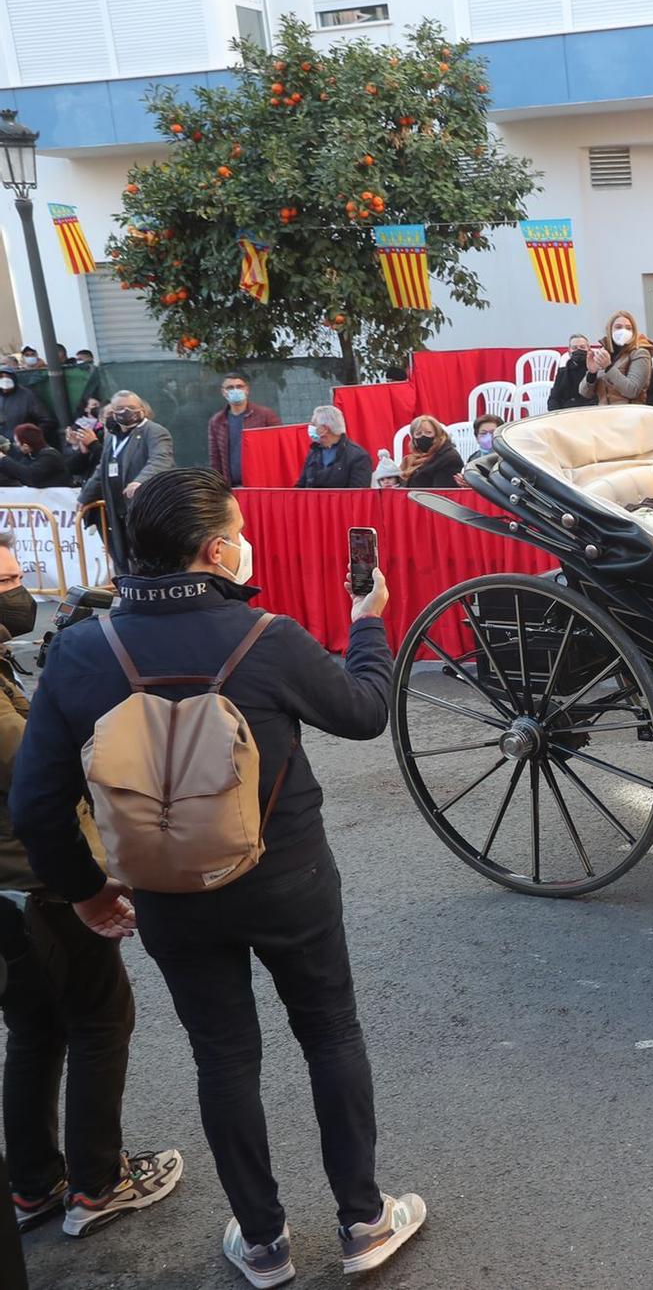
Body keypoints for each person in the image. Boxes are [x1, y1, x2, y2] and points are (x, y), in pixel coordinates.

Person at [9, 467, 426, 1286]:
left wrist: (90, 891)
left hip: (167, 891)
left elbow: (36, 801)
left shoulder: (84, 650)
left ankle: (264, 1244)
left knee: (223, 1055)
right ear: (216, 549)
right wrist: (367, 621)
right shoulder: (266, 636)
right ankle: (364, 1221)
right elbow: (364, 710)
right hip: (289, 877)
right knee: (330, 1033)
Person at [0, 529, 183, 1239]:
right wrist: (68, 682)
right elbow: (32, 765)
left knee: (35, 1032)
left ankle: (35, 1184)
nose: (20, 594)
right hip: (34, 884)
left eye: (18, 576)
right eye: (6, 582)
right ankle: (97, 1186)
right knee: (99, 1023)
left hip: (20, 885)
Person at [80, 393, 174, 574]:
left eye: (130, 408)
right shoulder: (111, 437)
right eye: (120, 409)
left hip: (145, 511)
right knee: (122, 558)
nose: (126, 412)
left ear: (142, 410)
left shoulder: (154, 432)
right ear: (113, 413)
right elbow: (103, 470)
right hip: (118, 510)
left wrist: (140, 481)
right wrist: (85, 496)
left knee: (150, 560)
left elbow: (160, 460)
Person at [206, 374, 281, 487]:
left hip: (262, 484)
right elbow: (215, 457)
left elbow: (279, 447)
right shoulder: (217, 421)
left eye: (239, 386)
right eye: (230, 387)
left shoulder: (265, 415)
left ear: (247, 389)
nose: (235, 390)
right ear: (223, 392)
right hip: (232, 486)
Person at [577, 311, 653, 406]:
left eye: (628, 328)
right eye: (618, 327)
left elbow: (632, 391)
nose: (623, 331)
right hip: (604, 412)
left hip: (630, 413)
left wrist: (609, 367)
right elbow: (584, 393)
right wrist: (592, 373)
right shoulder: (605, 352)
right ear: (610, 330)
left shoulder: (640, 353)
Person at [294, 405, 372, 489]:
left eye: (314, 424)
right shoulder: (314, 452)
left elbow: (358, 495)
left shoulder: (358, 456)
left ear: (325, 429)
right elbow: (301, 486)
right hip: (313, 501)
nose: (310, 427)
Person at [391, 414, 463, 489]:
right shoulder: (411, 459)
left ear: (438, 434)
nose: (423, 437)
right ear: (413, 439)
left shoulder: (449, 459)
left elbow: (441, 493)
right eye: (418, 434)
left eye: (428, 433)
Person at [0, 368, 52, 450]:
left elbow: (47, 420)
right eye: (1, 377)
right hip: (4, 447)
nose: (4, 380)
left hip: (24, 447)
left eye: (7, 377)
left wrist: (30, 439)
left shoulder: (27, 395)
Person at [0, 424, 67, 488]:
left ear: (25, 445)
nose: (16, 445)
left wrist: (3, 458)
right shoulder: (30, 455)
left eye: (17, 442)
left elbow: (30, 476)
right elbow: (18, 472)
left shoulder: (49, 456)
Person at [547, 333, 595, 410]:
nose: (578, 350)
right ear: (569, 352)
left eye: (582, 347)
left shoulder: (595, 371)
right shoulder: (562, 373)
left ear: (589, 350)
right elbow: (554, 398)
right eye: (574, 348)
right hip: (565, 414)